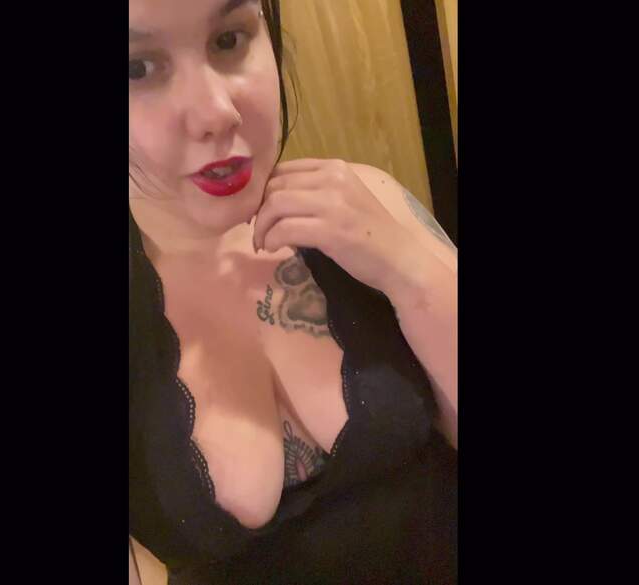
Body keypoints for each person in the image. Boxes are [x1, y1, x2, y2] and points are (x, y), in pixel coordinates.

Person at [129, 1, 458, 582]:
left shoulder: (369, 201)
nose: (216, 112)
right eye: (137, 68)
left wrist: (410, 272)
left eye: (229, 39)